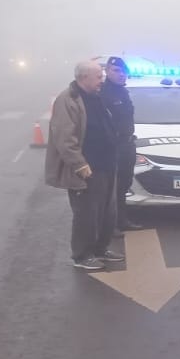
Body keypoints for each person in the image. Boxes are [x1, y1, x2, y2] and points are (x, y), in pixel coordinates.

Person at [44, 59, 124, 271]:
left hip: (106, 164)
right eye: (98, 76)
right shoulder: (68, 100)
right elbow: (64, 137)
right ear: (83, 78)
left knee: (107, 212)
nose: (102, 80)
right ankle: (82, 255)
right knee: (87, 213)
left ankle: (100, 248)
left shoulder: (96, 96)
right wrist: (80, 165)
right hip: (87, 168)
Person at [102, 56, 141, 233]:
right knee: (111, 188)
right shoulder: (103, 93)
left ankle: (121, 220)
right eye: (116, 71)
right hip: (113, 147)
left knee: (124, 185)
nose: (121, 75)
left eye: (124, 71)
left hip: (127, 145)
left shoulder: (123, 92)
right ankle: (110, 225)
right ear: (107, 71)